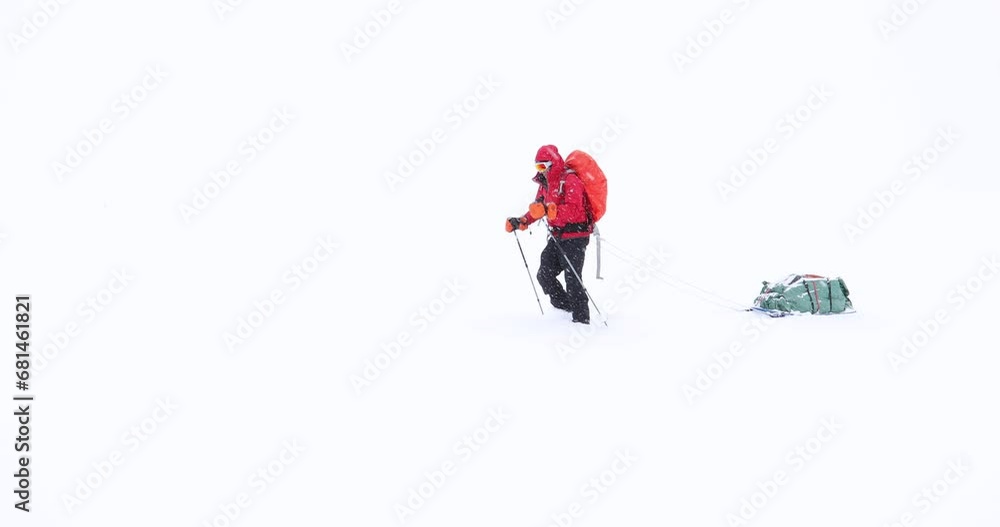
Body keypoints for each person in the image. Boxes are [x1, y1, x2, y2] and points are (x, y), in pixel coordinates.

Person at [506, 145, 592, 324]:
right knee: (544, 274)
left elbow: (575, 210)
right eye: (537, 166)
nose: (540, 171)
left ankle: (581, 321)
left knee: (573, 279)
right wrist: (522, 221)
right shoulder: (545, 184)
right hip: (557, 236)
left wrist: (550, 211)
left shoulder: (570, 180)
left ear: (553, 164)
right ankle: (564, 309)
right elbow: (538, 208)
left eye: (542, 166)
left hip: (576, 236)